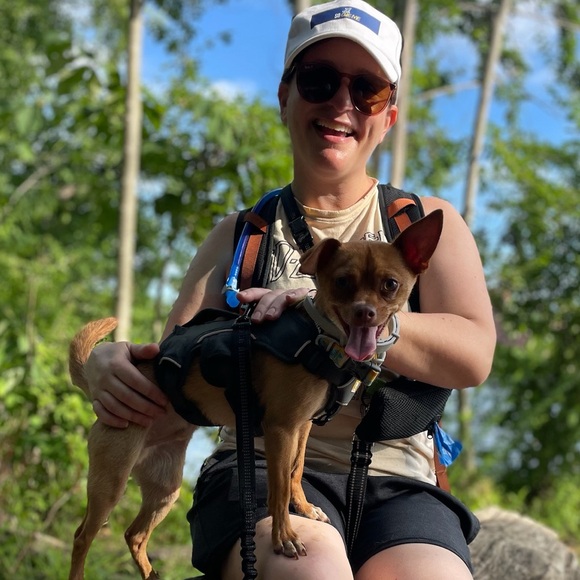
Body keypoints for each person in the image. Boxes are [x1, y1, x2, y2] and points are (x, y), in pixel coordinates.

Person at [84, 1, 496, 578]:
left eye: (368, 89)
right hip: (254, 464)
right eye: (319, 80)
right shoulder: (240, 236)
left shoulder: (422, 223)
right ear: (285, 97)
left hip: (398, 479)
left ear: (389, 117)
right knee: (310, 570)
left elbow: (473, 355)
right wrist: (106, 366)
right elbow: (174, 363)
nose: (342, 103)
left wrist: (334, 314)